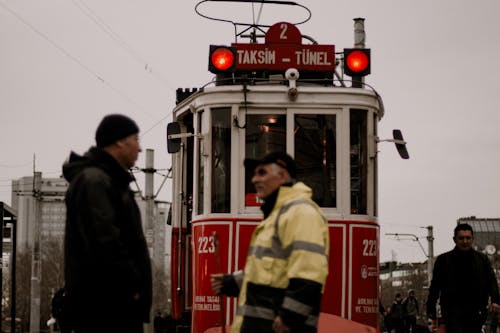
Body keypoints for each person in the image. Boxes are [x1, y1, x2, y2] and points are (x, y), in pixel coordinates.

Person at [211, 152, 329, 333]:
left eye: (261, 173)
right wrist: (231, 282)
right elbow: (269, 272)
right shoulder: (277, 215)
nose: (254, 180)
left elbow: (309, 275)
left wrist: (289, 318)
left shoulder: (301, 213)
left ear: (282, 176)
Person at [63, 114, 152, 333]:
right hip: (107, 309)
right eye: (136, 140)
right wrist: (131, 286)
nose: (140, 149)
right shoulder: (95, 181)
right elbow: (105, 241)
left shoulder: (108, 180)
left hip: (112, 306)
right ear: (120, 141)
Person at [426, 223, 500, 333]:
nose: (465, 241)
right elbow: (435, 285)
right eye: (461, 238)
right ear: (454, 239)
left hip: (477, 310)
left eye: (468, 238)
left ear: (472, 239)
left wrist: (495, 300)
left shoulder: (482, 259)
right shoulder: (443, 260)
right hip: (452, 311)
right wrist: (431, 307)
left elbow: (491, 280)